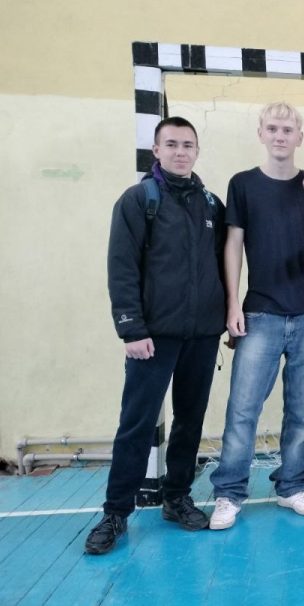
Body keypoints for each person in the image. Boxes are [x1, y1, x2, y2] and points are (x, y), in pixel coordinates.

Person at [85, 116, 226, 555]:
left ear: (197, 151)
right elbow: (121, 266)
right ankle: (115, 512)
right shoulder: (138, 200)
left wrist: (226, 318)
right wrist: (131, 328)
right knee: (137, 423)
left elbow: (225, 263)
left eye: (188, 144)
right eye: (172, 144)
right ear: (157, 151)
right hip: (151, 337)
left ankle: (176, 497)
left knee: (190, 420)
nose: (181, 152)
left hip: (202, 335)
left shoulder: (211, 204)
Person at [207, 103, 304, 531]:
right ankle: (229, 493)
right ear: (260, 133)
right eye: (272, 128)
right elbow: (233, 245)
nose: (280, 135)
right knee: (243, 409)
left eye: (288, 129)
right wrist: (232, 304)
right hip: (259, 313)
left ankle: (292, 486)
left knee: (301, 411)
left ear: (299, 137)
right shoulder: (242, 184)